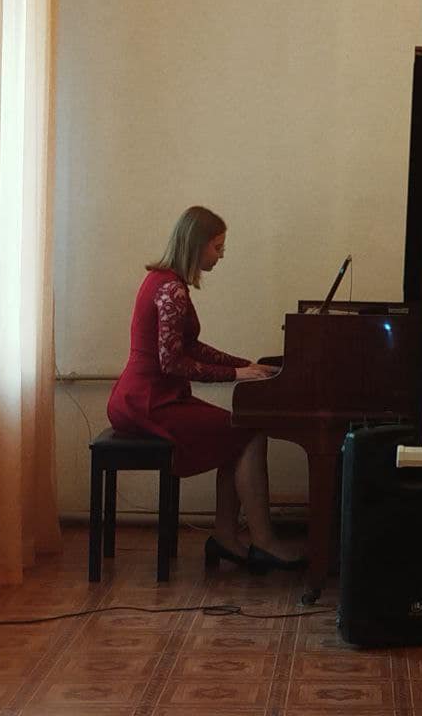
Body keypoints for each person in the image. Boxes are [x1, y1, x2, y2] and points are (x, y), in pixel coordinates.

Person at [108, 205, 304, 573]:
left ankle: (228, 537)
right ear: (196, 244)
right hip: (147, 402)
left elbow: (191, 347)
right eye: (217, 247)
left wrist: (244, 365)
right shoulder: (171, 290)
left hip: (147, 397)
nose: (221, 255)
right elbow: (172, 363)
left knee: (238, 432)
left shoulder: (163, 281)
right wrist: (235, 374)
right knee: (247, 433)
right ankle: (261, 541)